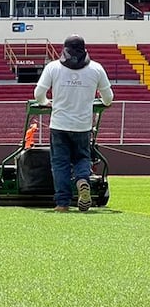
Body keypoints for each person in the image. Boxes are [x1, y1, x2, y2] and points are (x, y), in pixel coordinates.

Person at [33, 35, 113, 212]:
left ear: (65, 50)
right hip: (83, 125)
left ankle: (62, 203)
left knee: (60, 163)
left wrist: (46, 102)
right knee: (82, 158)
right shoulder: (96, 69)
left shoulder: (53, 67)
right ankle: (82, 180)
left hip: (59, 124)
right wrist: (102, 101)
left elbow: (38, 93)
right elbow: (108, 98)